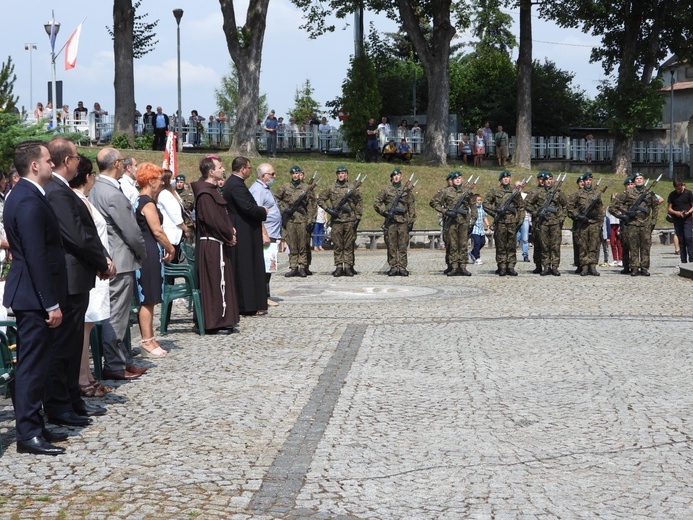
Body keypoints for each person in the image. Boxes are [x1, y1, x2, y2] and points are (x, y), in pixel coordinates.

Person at [43, 137, 114, 426]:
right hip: (70, 278)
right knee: (65, 346)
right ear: (67, 161)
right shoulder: (58, 193)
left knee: (72, 345)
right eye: (74, 156)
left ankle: (72, 399)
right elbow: (76, 235)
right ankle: (60, 405)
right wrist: (102, 261)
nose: (77, 160)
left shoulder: (62, 190)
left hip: (78, 277)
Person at [3, 141, 68, 455]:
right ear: (34, 166)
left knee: (36, 364)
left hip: (32, 292)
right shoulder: (27, 199)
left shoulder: (29, 195)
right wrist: (50, 302)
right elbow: (35, 255)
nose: (52, 164)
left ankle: (34, 424)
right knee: (30, 365)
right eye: (47, 160)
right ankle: (27, 433)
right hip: (32, 294)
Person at [89, 148, 147, 380]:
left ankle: (123, 360)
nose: (125, 164)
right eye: (122, 161)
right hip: (119, 260)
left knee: (119, 314)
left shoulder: (96, 188)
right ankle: (114, 363)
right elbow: (131, 231)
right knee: (117, 316)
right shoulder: (111, 193)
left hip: (111, 258)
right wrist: (143, 253)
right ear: (116, 164)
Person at [70, 155, 114, 398]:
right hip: (92, 270)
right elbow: (88, 238)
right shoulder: (79, 200)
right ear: (88, 177)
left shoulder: (84, 199)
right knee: (85, 327)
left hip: (96, 269)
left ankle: (86, 374)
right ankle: (81, 376)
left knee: (88, 326)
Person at [191, 157, 240, 334]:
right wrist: (228, 235)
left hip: (218, 242)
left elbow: (220, 217)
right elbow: (212, 221)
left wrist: (230, 231)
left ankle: (222, 318)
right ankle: (213, 321)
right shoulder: (205, 193)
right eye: (220, 167)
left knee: (221, 281)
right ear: (211, 172)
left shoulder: (211, 191)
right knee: (213, 283)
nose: (223, 169)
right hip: (212, 244)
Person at [134, 163, 175, 354]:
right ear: (150, 181)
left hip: (149, 249)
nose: (162, 183)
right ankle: (147, 340)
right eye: (159, 179)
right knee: (148, 297)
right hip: (148, 250)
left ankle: (150, 338)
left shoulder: (143, 200)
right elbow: (157, 231)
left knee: (150, 297)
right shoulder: (146, 203)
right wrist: (170, 247)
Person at [223, 156, 269, 316]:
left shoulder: (236, 184)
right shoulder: (235, 185)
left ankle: (252, 302)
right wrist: (263, 210)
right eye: (249, 168)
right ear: (243, 169)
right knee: (245, 269)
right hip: (243, 232)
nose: (250, 170)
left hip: (246, 230)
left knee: (248, 267)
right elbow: (248, 208)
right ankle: (248, 304)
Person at [609, 172, 658, 276]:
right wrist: (624, 214)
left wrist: (653, 222)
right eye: (637, 179)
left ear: (644, 180)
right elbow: (613, 205)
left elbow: (655, 207)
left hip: (645, 224)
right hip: (632, 224)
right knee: (633, 247)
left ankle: (644, 268)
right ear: (634, 181)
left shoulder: (650, 193)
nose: (639, 180)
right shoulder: (628, 193)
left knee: (645, 247)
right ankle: (634, 267)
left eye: (641, 178)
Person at [318, 165, 363, 277]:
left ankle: (348, 266)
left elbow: (359, 201)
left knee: (348, 244)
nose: (341, 175)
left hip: (349, 220)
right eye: (339, 173)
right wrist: (329, 210)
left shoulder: (352, 187)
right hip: (337, 221)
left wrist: (358, 217)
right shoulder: (332, 187)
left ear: (346, 175)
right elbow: (320, 199)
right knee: (338, 244)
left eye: (343, 173)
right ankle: (338, 266)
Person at [249, 162, 282, 306]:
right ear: (263, 176)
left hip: (272, 233)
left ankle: (265, 294)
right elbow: (257, 213)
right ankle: (262, 296)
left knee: (269, 265)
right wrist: (264, 233)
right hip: (266, 234)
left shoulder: (265, 188)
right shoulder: (258, 190)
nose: (274, 176)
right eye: (272, 174)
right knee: (265, 266)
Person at [374, 168, 416, 276]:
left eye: (398, 175)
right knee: (391, 245)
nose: (396, 177)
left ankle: (402, 267)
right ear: (392, 178)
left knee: (403, 245)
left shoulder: (406, 190)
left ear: (401, 177)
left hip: (403, 222)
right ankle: (393, 266)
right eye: (394, 175)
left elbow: (411, 205)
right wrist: (384, 213)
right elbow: (376, 203)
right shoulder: (386, 190)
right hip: (391, 222)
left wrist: (411, 221)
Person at [276, 165, 316, 278]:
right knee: (292, 244)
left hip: (302, 220)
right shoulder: (285, 187)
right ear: (291, 175)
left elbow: (311, 205)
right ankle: (293, 267)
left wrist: (310, 220)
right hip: (290, 220)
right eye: (293, 174)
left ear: (300, 174)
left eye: (297, 173)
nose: (295, 175)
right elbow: (276, 198)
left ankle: (303, 266)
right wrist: (285, 209)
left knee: (302, 244)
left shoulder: (306, 187)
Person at [432, 171, 474, 276]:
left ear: (462, 179)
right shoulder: (446, 191)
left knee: (463, 244)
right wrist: (445, 211)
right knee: (453, 245)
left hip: (464, 221)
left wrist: (473, 221)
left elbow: (473, 206)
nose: (458, 180)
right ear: (452, 180)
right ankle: (454, 267)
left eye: (459, 178)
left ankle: (463, 266)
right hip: (451, 222)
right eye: (455, 179)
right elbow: (433, 202)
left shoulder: (467, 191)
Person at [525, 171, 567, 276]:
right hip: (542, 223)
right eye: (546, 180)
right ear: (543, 181)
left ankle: (555, 267)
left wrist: (561, 218)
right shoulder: (537, 192)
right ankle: (546, 266)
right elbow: (526, 204)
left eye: (550, 179)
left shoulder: (557, 192)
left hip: (555, 223)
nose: (548, 181)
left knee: (555, 246)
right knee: (544, 246)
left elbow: (565, 205)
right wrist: (537, 212)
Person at [484, 171, 524, 276]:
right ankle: (501, 266)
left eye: (508, 177)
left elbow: (521, 207)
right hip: (500, 222)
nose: (506, 179)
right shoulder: (495, 191)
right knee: (500, 245)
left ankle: (510, 266)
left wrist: (519, 220)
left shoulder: (514, 192)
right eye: (504, 178)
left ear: (510, 179)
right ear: (501, 180)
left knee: (511, 245)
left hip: (512, 222)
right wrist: (496, 211)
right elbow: (486, 204)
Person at [567, 172, 605, 276]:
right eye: (586, 180)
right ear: (583, 181)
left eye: (590, 180)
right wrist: (578, 216)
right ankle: (584, 266)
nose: (588, 182)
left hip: (594, 224)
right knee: (583, 246)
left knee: (593, 246)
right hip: (582, 224)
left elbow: (600, 209)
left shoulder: (596, 194)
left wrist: (600, 223)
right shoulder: (577, 194)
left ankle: (592, 266)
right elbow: (570, 208)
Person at [158, 170, 190, 257]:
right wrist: (185, 228)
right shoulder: (164, 194)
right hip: (170, 233)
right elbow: (174, 215)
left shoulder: (173, 192)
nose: (174, 181)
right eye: (172, 179)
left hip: (177, 234)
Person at [667, 178, 693, 263]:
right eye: (676, 189)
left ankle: (691, 257)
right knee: (681, 240)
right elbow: (669, 209)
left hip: (687, 218)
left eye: (679, 189)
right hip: (677, 219)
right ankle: (683, 260)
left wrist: (688, 212)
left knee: (688, 237)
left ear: (682, 186)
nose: (678, 191)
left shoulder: (688, 193)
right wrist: (676, 212)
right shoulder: (672, 195)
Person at [469, 194, 490, 265]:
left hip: (481, 229)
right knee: (477, 243)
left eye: (480, 200)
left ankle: (472, 253)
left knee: (482, 242)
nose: (480, 201)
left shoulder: (482, 208)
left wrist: (488, 225)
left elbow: (485, 217)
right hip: (475, 228)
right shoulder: (472, 208)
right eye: (478, 200)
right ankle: (477, 257)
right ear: (475, 201)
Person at [515, 180, 531, 263]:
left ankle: (525, 255)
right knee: (515, 237)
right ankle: (512, 254)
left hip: (525, 219)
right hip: (515, 219)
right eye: (517, 186)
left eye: (520, 186)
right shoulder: (513, 195)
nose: (518, 187)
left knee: (525, 239)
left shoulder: (525, 195)